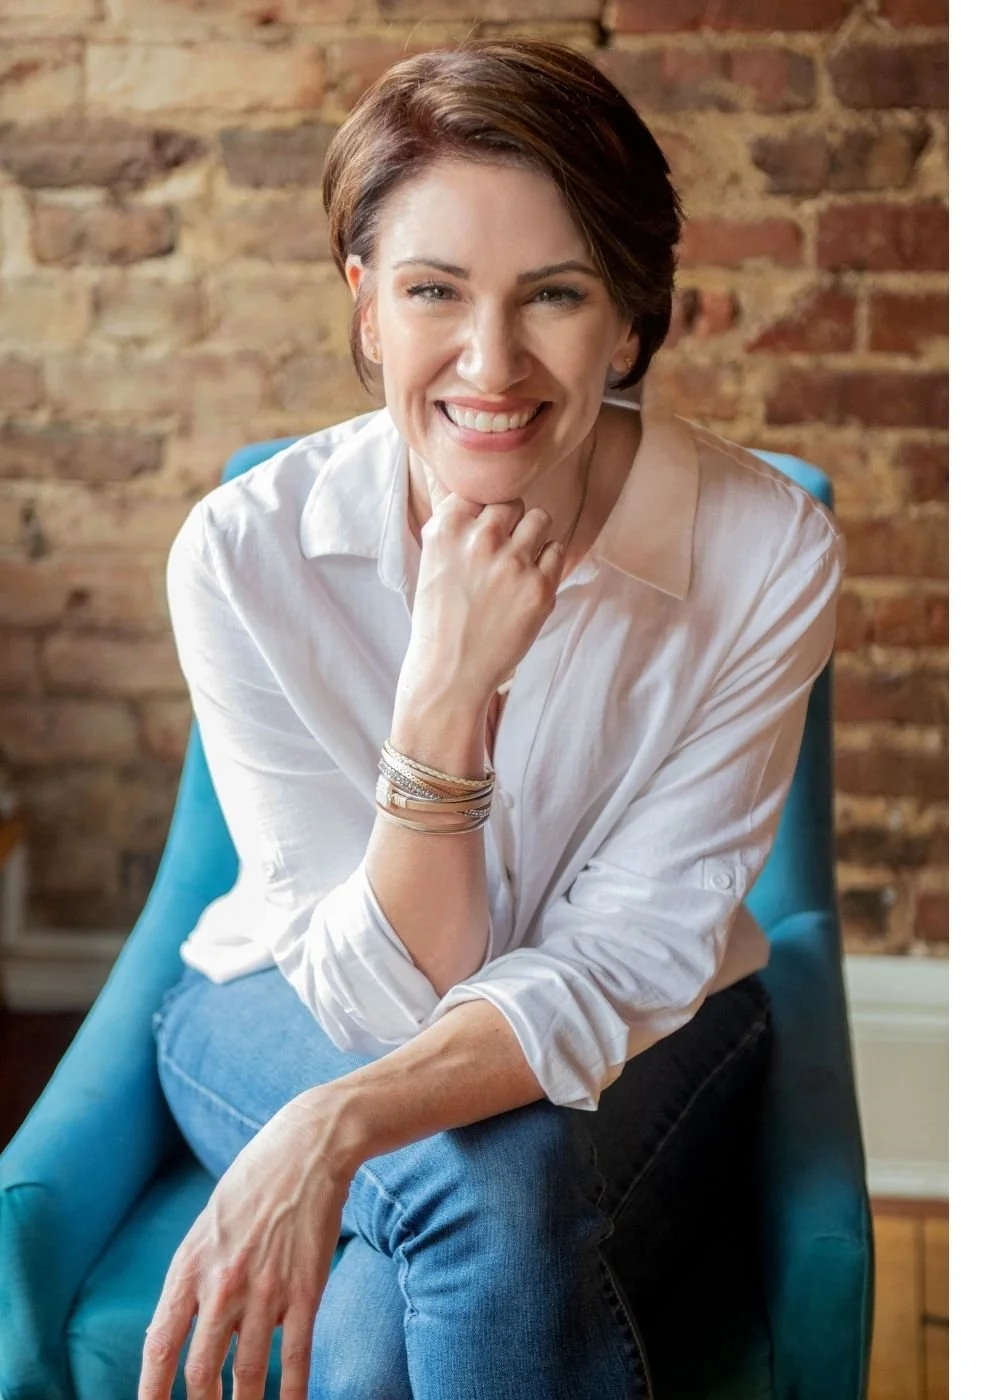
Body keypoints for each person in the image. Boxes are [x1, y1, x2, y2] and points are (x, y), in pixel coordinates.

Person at [141, 37, 846, 1400]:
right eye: (432, 292)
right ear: (364, 306)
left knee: (439, 1245)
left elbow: (620, 962)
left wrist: (331, 1134)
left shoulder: (766, 556)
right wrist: (446, 690)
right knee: (490, 1182)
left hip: (650, 1021)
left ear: (631, 321)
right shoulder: (242, 556)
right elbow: (373, 996)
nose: (491, 360)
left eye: (556, 296)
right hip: (279, 1002)